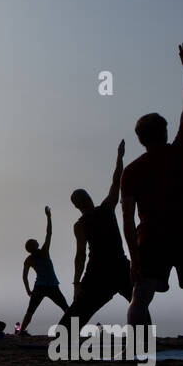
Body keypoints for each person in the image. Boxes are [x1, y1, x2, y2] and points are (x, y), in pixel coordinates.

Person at [120, 44, 183, 355]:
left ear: (141, 139)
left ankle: (140, 352)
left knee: (140, 296)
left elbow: (127, 220)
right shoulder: (182, 149)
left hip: (152, 239)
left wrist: (133, 255)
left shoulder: (131, 171)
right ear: (165, 131)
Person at [68, 139, 132, 328]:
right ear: (85, 201)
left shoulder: (99, 213)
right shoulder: (103, 210)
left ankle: (62, 336)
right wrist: (119, 158)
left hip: (106, 268)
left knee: (138, 300)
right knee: (138, 301)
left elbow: (117, 181)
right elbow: (117, 181)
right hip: (109, 268)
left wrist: (76, 282)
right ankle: (145, 338)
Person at [20, 206, 70, 333]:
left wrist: (28, 290)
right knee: (66, 308)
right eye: (35, 241)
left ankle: (21, 331)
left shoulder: (29, 259)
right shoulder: (44, 252)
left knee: (30, 311)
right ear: (34, 245)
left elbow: (24, 276)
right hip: (50, 286)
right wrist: (49, 218)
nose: (37, 241)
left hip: (41, 286)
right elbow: (49, 234)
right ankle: (74, 329)